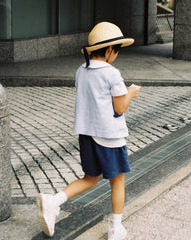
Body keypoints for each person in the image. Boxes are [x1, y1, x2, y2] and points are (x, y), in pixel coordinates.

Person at [36, 21, 141, 240]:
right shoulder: (112, 73)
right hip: (109, 136)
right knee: (118, 181)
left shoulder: (80, 71)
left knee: (90, 178)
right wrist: (130, 92)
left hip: (87, 135)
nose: (117, 55)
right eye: (117, 50)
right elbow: (119, 108)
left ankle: (53, 202)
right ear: (110, 49)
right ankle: (115, 228)